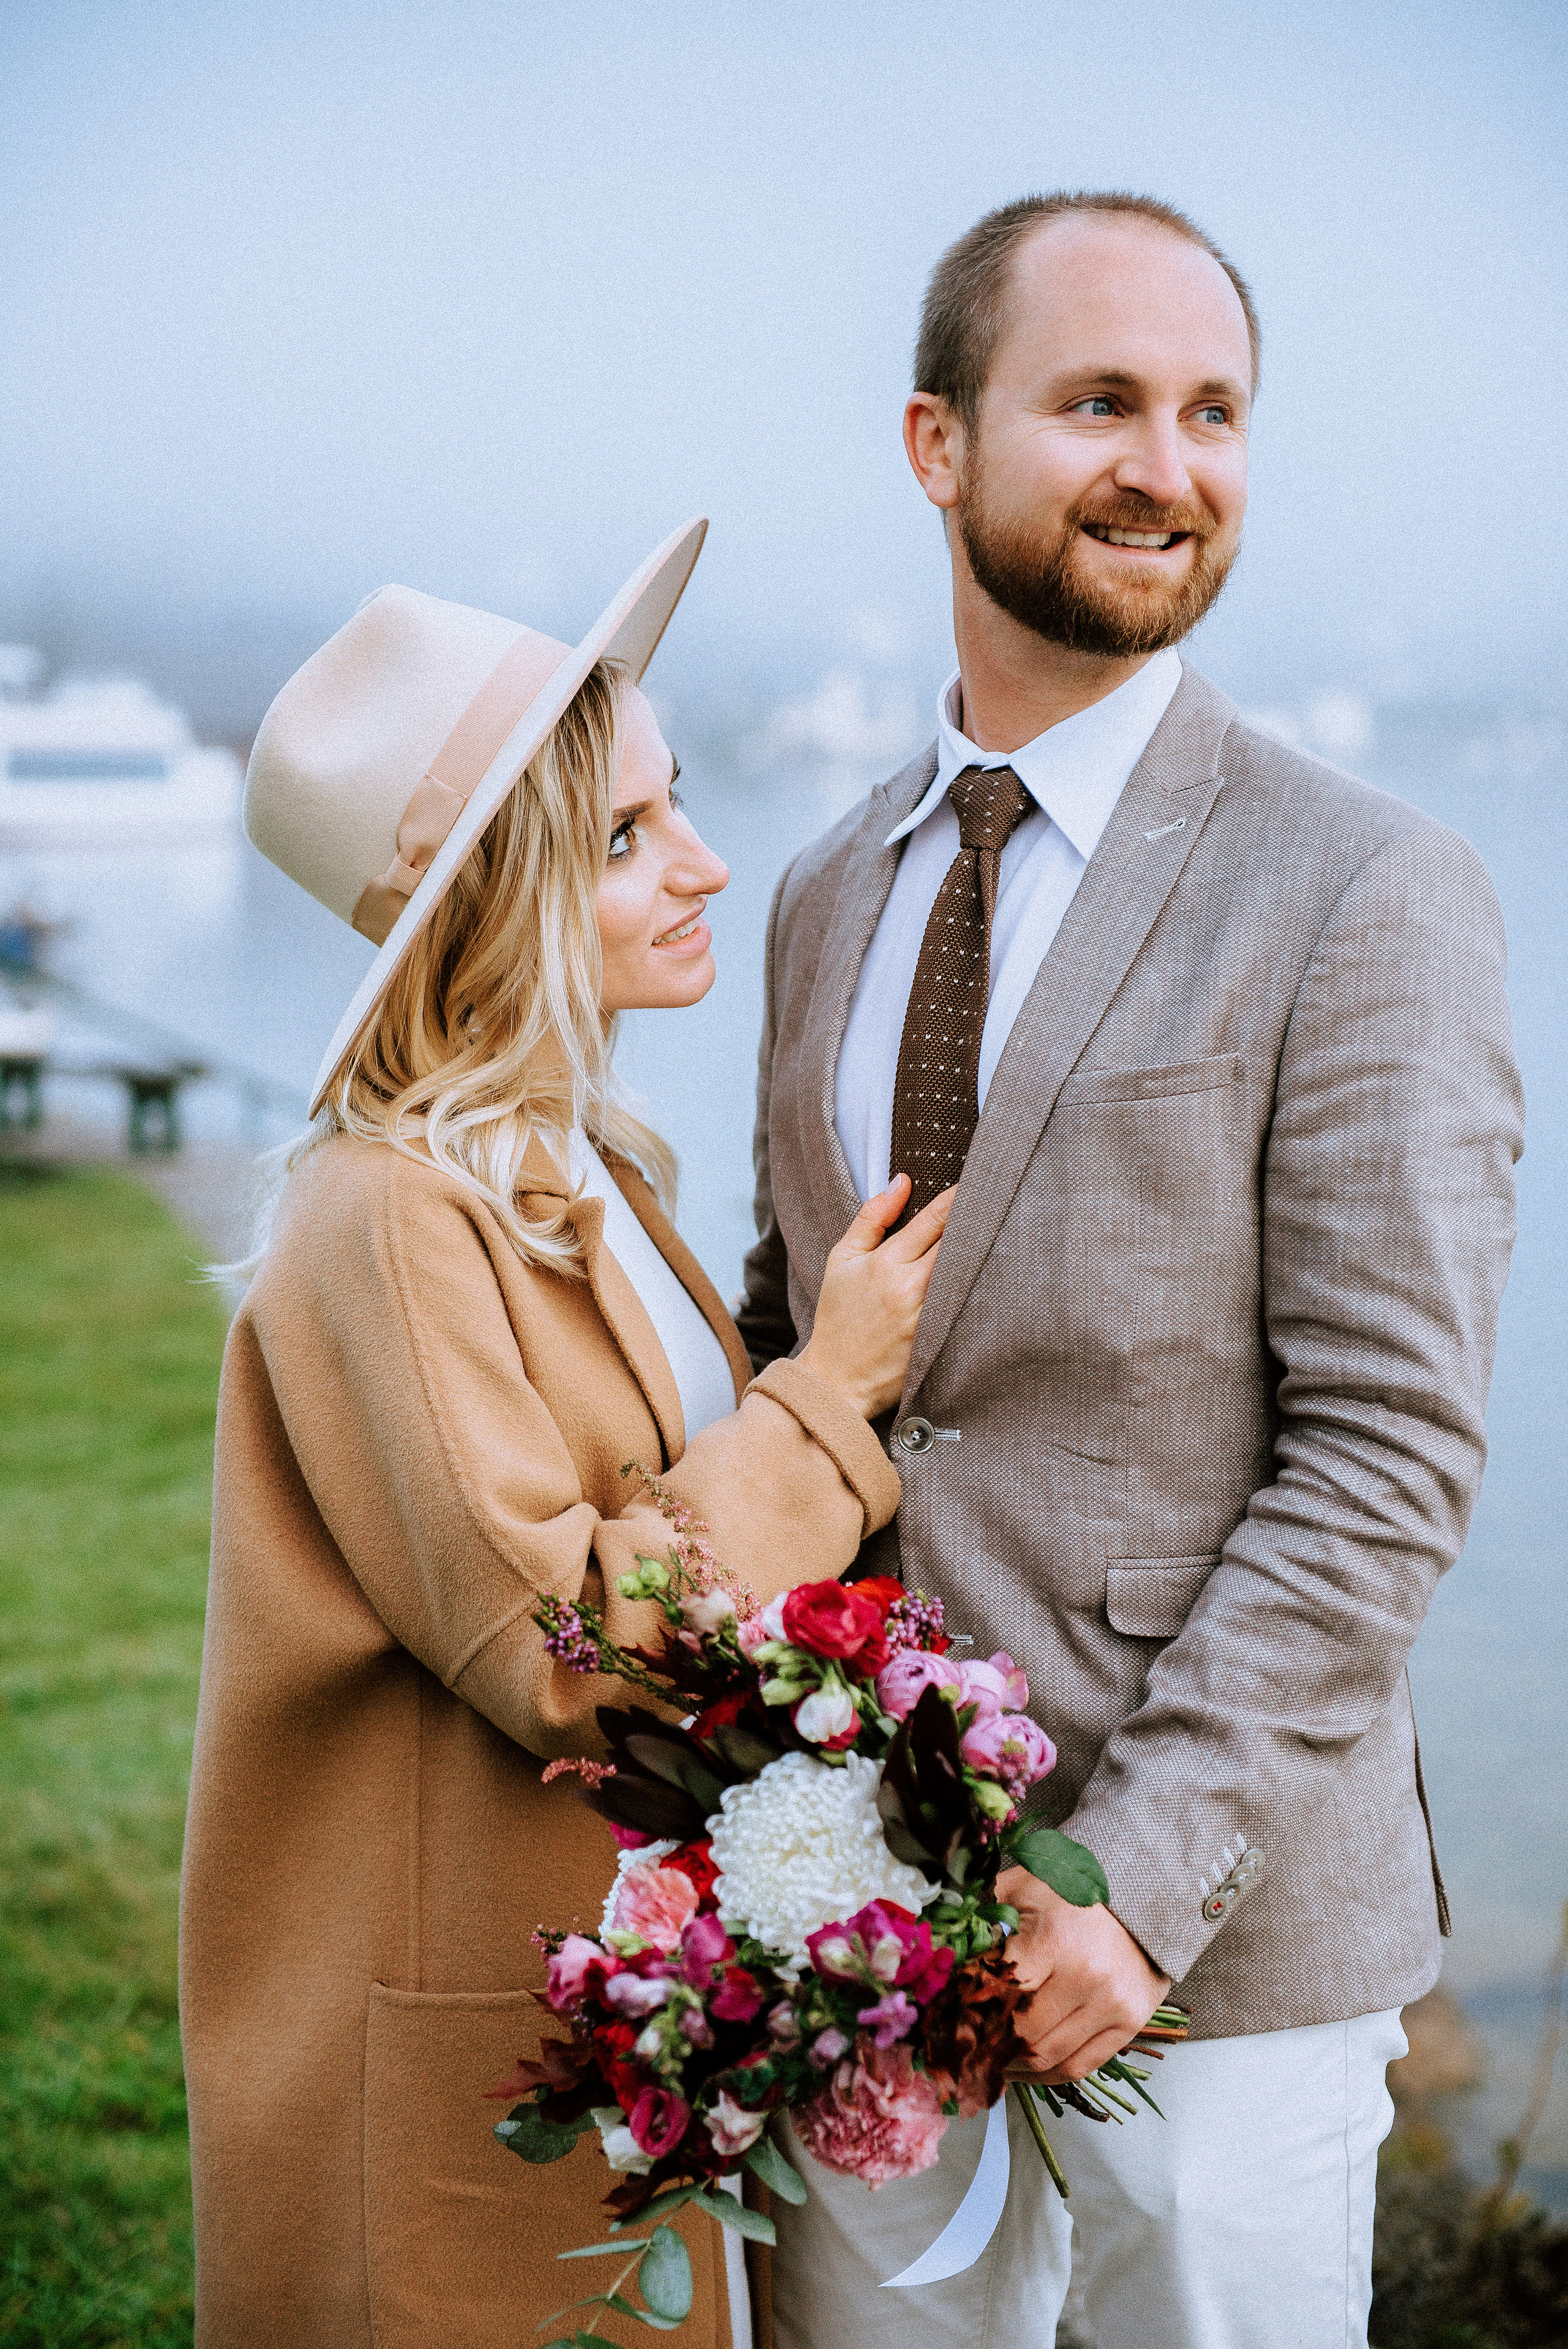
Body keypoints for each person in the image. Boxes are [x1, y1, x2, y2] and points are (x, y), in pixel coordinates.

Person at [737, 197, 1524, 2348]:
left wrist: (1138, 1892)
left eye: (1213, 413)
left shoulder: (1372, 884)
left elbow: (1387, 1450)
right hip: (862, 1934)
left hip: (1219, 1968)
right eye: (1098, 401)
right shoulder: (827, 890)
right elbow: (793, 1343)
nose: (1165, 467)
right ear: (935, 443)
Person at [178, 523, 952, 2349]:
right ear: (496, 900)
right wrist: (828, 1392)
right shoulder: (387, 1214)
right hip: (465, 2060)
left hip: (611, 2018)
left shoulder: (592, 1169)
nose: (702, 864)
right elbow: (568, 1647)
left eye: (676, 805)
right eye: (623, 840)